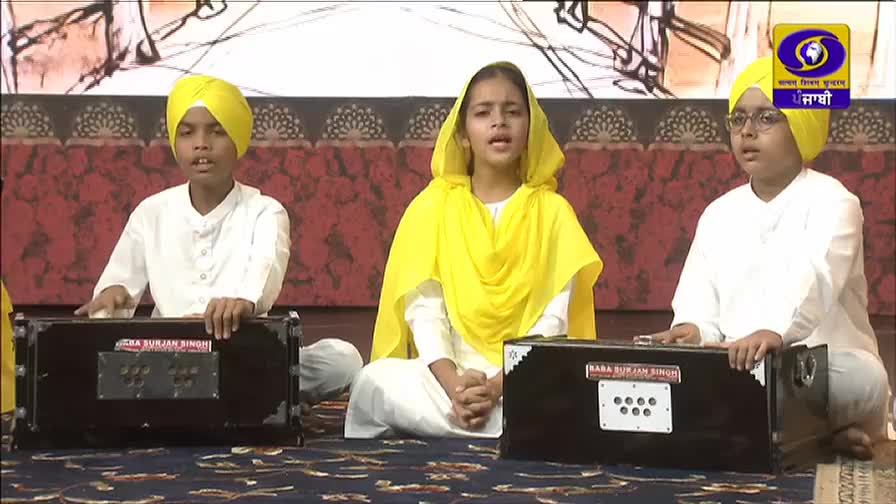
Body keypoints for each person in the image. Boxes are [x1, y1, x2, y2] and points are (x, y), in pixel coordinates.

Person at [344, 62, 603, 438]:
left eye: (512, 112)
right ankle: (492, 425)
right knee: (373, 381)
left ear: (530, 129)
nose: (499, 123)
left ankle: (472, 423)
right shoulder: (433, 207)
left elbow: (552, 326)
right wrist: (456, 388)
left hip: (522, 378)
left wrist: (497, 386)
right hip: (447, 379)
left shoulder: (553, 213)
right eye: (483, 114)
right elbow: (426, 314)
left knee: (572, 394)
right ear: (463, 134)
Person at [652, 57, 892, 460]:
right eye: (738, 119)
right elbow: (697, 298)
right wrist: (692, 330)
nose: (747, 131)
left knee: (866, 378)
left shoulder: (835, 202)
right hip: (734, 369)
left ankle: (776, 426)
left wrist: (774, 333)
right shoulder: (719, 212)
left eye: (766, 118)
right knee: (694, 372)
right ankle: (813, 435)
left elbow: (818, 278)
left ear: (801, 124)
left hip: (816, 369)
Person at [75, 75, 362, 405]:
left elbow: (264, 273)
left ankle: (210, 394)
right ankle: (240, 395)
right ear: (175, 143)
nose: (201, 144)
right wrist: (113, 296)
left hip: (242, 350)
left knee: (344, 359)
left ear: (238, 141)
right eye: (187, 132)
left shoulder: (265, 211)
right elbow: (120, 284)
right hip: (167, 355)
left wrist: (241, 302)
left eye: (216, 131)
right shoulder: (152, 211)